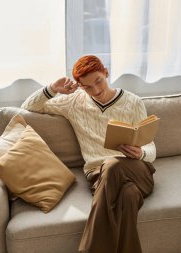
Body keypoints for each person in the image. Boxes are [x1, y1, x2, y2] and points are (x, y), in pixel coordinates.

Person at [21, 55, 156, 253]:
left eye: (98, 81)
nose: (96, 90)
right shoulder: (74, 102)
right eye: (88, 87)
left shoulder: (133, 102)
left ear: (106, 72)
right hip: (99, 176)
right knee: (129, 196)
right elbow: (28, 107)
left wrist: (141, 153)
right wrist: (53, 88)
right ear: (80, 87)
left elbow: (151, 149)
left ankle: (88, 249)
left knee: (112, 164)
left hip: (137, 171)